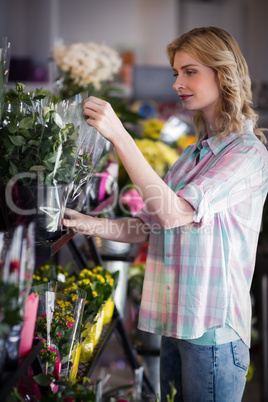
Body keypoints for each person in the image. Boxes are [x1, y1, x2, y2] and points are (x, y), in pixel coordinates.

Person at [63, 26, 268, 401]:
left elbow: (174, 214)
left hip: (214, 336)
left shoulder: (246, 154)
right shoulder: (191, 156)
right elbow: (149, 226)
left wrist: (121, 136)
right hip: (178, 327)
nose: (178, 83)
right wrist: (85, 222)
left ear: (223, 74)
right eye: (177, 73)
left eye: (190, 71)